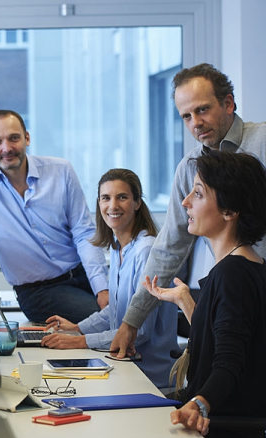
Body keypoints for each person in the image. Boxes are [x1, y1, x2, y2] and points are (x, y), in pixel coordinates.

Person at [111, 63, 266, 358]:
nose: (196, 122)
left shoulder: (262, 142)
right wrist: (132, 321)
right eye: (186, 116)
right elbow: (169, 246)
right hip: (233, 295)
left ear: (228, 103)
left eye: (202, 109)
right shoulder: (190, 167)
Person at [142, 151, 266, 438]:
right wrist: (185, 300)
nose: (186, 202)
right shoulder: (248, 266)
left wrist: (199, 404)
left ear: (229, 210)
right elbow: (222, 339)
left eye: (198, 194)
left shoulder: (232, 275)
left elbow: (229, 363)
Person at [0, 110, 108, 323]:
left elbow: (84, 232)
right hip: (38, 293)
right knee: (107, 320)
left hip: (82, 274)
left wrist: (102, 288)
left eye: (13, 138)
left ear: (27, 138)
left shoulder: (61, 171)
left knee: (135, 313)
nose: (7, 148)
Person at [41, 169, 178, 389]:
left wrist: (79, 341)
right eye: (106, 198)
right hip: (121, 365)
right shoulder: (117, 247)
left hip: (149, 378)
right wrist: (78, 328)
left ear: (137, 203)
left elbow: (139, 331)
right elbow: (116, 310)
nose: (112, 206)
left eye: (122, 197)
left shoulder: (146, 251)